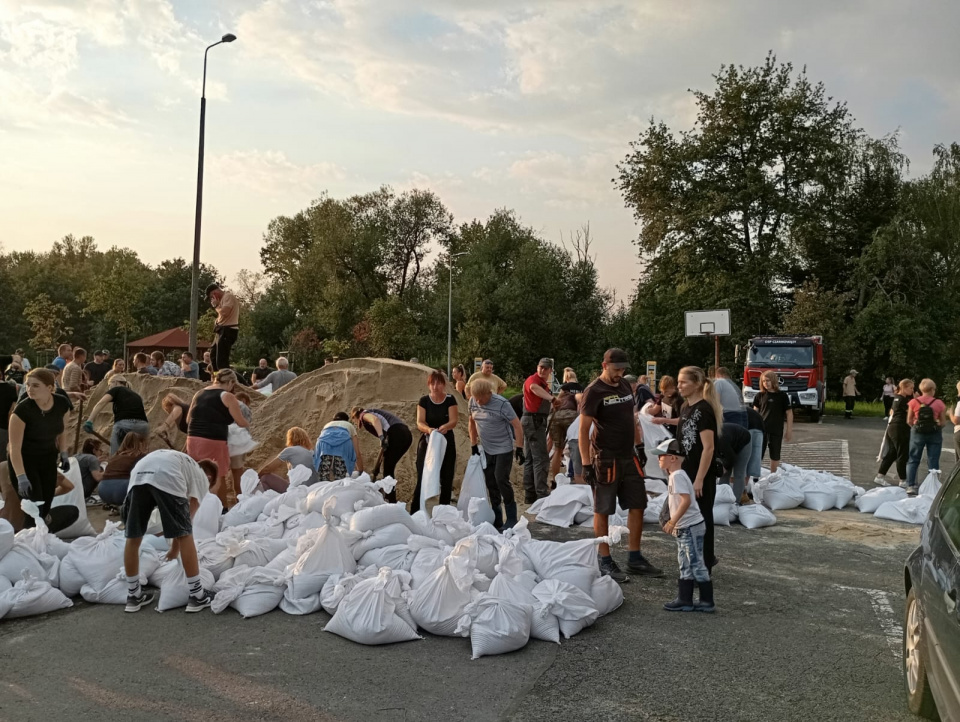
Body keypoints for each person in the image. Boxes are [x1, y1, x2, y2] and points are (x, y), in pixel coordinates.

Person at [579, 348, 660, 583]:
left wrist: (640, 446)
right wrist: (585, 464)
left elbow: (632, 417)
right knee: (603, 508)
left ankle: (634, 558)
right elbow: (584, 431)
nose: (620, 373)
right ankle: (604, 559)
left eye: (623, 369)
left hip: (629, 455)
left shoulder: (625, 386)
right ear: (604, 365)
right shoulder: (593, 392)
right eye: (616, 369)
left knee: (638, 504)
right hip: (605, 457)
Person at [121, 449, 214, 613]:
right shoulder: (201, 479)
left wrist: (173, 548)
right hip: (165, 472)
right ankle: (197, 595)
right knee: (186, 535)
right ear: (209, 477)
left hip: (139, 473)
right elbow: (186, 525)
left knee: (133, 536)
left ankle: (133, 596)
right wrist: (175, 548)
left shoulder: (185, 464)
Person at [652, 438, 714, 613]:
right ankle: (685, 599)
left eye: (661, 456)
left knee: (696, 563)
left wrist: (672, 521)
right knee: (685, 563)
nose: (658, 460)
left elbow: (685, 501)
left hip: (690, 527)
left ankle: (706, 601)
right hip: (685, 527)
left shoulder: (678, 476)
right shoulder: (675, 476)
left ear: (673, 458)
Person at [6, 369, 73, 528]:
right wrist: (21, 477)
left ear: (50, 388)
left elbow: (62, 430)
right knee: (34, 506)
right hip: (24, 459)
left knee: (46, 501)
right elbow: (14, 448)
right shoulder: (22, 411)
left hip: (48, 457)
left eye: (35, 385)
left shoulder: (62, 403)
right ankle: (32, 543)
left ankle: (43, 534)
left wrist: (63, 453)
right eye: (28, 385)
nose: (30, 389)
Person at [673, 365, 722, 571]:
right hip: (686, 472)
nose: (679, 386)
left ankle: (704, 564)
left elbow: (708, 447)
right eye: (678, 381)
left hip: (699, 475)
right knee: (688, 519)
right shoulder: (686, 407)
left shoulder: (704, 410)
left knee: (702, 519)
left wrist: (699, 478)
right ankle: (693, 561)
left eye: (683, 382)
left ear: (697, 384)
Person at [186, 368, 249, 507]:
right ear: (231, 382)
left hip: (193, 439)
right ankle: (222, 510)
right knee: (218, 477)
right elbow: (240, 422)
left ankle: (196, 509)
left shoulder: (199, 393)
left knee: (198, 476)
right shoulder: (227, 396)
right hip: (213, 440)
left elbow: (188, 419)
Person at [468, 377, 524, 529]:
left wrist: (519, 447)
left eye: (481, 398)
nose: (478, 402)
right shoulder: (473, 401)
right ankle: (497, 517)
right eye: (476, 398)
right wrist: (473, 444)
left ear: (489, 393)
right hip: (486, 449)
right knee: (490, 482)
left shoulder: (502, 404)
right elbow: (471, 422)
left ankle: (512, 517)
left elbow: (517, 425)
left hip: (503, 448)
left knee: (501, 479)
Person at [412, 370, 459, 513]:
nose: (435, 386)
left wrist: (445, 426)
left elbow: (453, 420)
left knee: (447, 476)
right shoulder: (424, 401)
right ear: (428, 385)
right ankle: (416, 510)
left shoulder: (450, 400)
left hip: (446, 440)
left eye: (438, 383)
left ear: (444, 385)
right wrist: (429, 430)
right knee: (422, 474)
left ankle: (444, 511)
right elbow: (419, 422)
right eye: (432, 383)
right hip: (428, 440)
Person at [350, 406, 412, 504]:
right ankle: (389, 496)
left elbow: (375, 420)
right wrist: (382, 441)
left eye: (353, 420)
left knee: (388, 469)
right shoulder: (374, 412)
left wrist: (381, 437)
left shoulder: (364, 415)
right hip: (406, 435)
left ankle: (390, 500)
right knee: (389, 466)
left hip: (396, 432)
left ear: (355, 417)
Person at [84, 376, 150, 454]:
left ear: (115, 382)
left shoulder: (116, 389)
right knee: (138, 454)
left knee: (115, 455)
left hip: (124, 425)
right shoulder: (136, 395)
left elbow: (101, 403)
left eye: (109, 385)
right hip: (143, 427)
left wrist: (89, 421)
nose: (109, 388)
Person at [904, 378, 947, 495]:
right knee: (933, 460)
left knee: (913, 459)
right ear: (932, 389)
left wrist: (916, 426)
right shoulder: (939, 403)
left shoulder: (913, 402)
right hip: (934, 433)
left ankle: (911, 485)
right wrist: (935, 426)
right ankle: (931, 486)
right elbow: (943, 422)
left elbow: (909, 420)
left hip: (917, 432)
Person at [521, 358, 556, 503]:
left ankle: (530, 494)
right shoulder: (533, 380)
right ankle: (541, 494)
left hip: (533, 421)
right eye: (541, 367)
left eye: (545, 368)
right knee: (540, 458)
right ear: (537, 367)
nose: (542, 370)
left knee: (530, 458)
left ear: (550, 371)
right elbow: (534, 388)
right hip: (534, 422)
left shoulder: (543, 385)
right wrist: (552, 399)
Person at [876, 379, 914, 486]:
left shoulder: (896, 398)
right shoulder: (903, 400)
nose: (912, 390)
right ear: (904, 387)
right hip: (900, 428)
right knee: (902, 454)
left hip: (893, 427)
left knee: (892, 453)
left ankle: (880, 476)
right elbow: (913, 412)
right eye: (910, 388)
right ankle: (903, 480)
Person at [752, 370, 793, 472]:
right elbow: (754, 413)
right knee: (757, 454)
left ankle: (773, 475)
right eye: (764, 381)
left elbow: (789, 413)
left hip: (776, 430)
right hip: (761, 430)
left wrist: (789, 431)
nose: (766, 383)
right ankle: (754, 476)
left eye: (768, 381)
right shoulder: (759, 396)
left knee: (775, 455)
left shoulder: (782, 396)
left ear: (774, 381)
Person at [548, 368, 583, 483]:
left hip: (557, 416)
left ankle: (555, 480)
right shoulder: (581, 388)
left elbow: (556, 403)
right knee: (575, 446)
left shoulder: (564, 388)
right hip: (572, 415)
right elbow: (581, 404)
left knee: (558, 450)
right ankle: (573, 475)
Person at [258, 427, 319, 492]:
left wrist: (256, 478)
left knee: (265, 477)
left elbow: (268, 468)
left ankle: (268, 500)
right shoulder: (312, 452)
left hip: (298, 491)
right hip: (313, 489)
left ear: (290, 438)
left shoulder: (290, 450)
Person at [98, 432, 149, 508]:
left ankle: (116, 506)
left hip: (103, 490)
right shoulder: (139, 456)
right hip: (122, 489)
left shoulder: (115, 456)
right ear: (140, 444)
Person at [314, 412, 363, 482]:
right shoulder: (349, 425)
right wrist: (361, 471)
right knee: (340, 478)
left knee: (323, 477)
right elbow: (357, 452)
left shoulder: (327, 425)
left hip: (323, 446)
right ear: (346, 420)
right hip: (343, 444)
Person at [205, 283, 239, 371]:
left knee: (221, 360)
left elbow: (225, 312)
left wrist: (216, 306)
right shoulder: (222, 301)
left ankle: (226, 380)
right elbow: (222, 315)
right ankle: (217, 377)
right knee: (213, 356)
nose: (212, 299)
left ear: (215, 292)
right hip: (221, 330)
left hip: (228, 330)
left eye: (212, 297)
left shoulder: (228, 297)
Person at [717, 423, 751, 504]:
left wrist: (725, 467)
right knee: (724, 474)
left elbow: (732, 458)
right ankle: (722, 499)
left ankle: (736, 502)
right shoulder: (707, 443)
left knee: (739, 473)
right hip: (729, 442)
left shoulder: (721, 440)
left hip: (743, 441)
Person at [744, 406, 765, 502]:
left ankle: (740, 493)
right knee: (750, 461)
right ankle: (743, 490)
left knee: (741, 463)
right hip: (759, 427)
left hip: (746, 426)